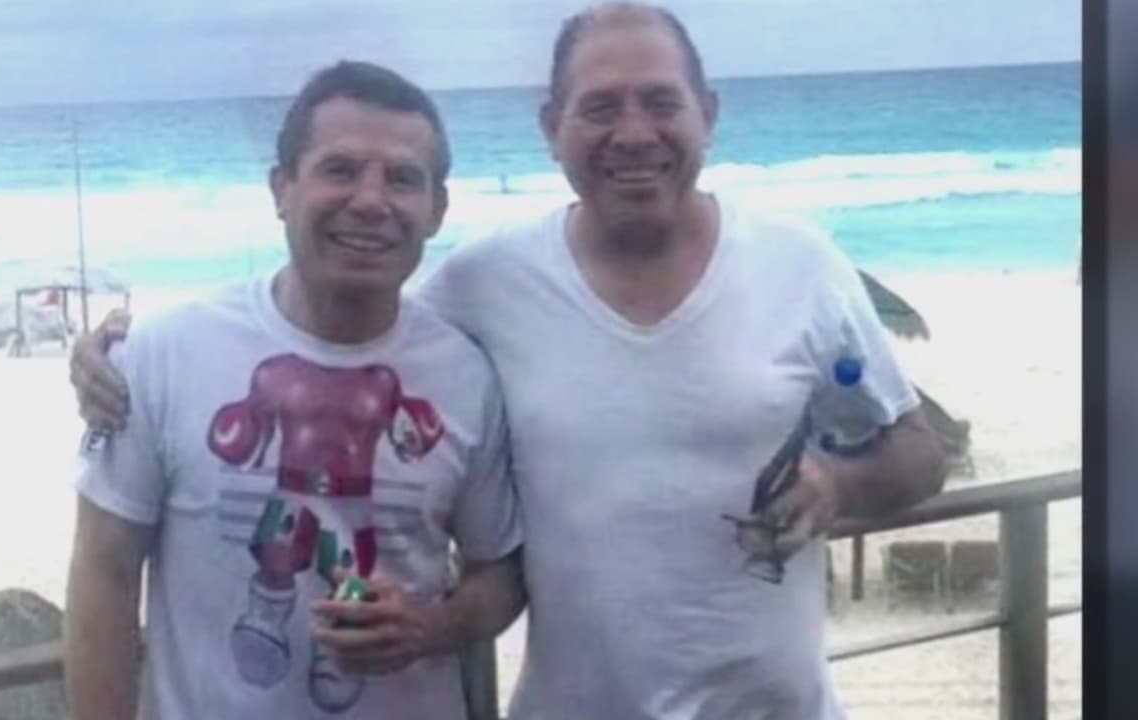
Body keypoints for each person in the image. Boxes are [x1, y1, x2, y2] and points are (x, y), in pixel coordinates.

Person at [70, 4, 948, 718]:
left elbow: (918, 454)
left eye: (660, 101)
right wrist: (108, 361)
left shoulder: (802, 266)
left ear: (707, 116)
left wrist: (839, 484)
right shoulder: (485, 286)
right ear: (551, 128)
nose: (633, 132)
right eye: (599, 107)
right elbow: (344, 319)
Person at [64, 60, 524, 720]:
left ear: (436, 210)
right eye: (340, 169)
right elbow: (104, 570)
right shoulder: (161, 356)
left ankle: (330, 659)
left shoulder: (465, 374)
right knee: (277, 551)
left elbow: (501, 571)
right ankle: (267, 616)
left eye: (402, 178)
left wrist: (431, 626)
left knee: (347, 577)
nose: (371, 201)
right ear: (282, 188)